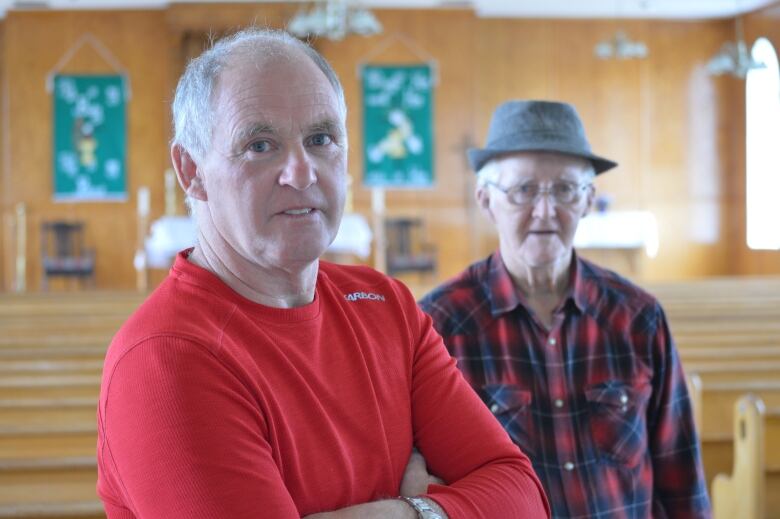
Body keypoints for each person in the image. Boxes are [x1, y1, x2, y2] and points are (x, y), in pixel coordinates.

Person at [96, 30, 549, 519]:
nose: (302, 172)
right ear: (192, 171)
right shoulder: (166, 358)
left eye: (321, 139)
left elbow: (522, 496)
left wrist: (410, 513)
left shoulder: (386, 305)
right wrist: (455, 504)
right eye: (260, 144)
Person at [419, 100, 711, 518]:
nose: (545, 210)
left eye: (564, 189)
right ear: (486, 200)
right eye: (523, 190)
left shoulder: (638, 316)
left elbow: (681, 477)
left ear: (588, 199)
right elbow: (428, 485)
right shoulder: (440, 325)